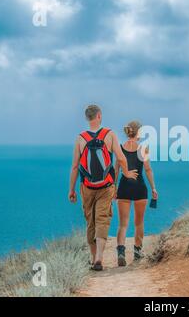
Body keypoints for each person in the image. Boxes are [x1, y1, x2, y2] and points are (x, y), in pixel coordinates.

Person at [68, 104, 138, 272]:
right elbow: (121, 158)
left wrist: (71, 190)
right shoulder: (109, 135)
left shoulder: (80, 138)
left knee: (90, 221)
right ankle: (99, 257)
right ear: (99, 115)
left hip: (87, 187)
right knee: (102, 219)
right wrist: (127, 174)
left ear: (87, 118)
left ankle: (93, 259)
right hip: (106, 186)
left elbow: (75, 167)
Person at [115, 120, 158, 267]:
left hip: (124, 188)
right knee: (139, 222)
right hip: (139, 188)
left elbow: (115, 170)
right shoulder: (143, 148)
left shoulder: (120, 148)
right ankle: (137, 251)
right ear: (138, 132)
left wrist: (114, 188)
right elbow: (148, 170)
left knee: (123, 224)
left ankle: (120, 252)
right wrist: (153, 188)